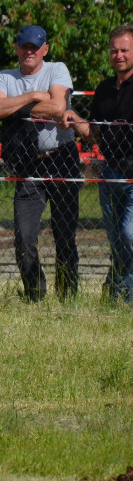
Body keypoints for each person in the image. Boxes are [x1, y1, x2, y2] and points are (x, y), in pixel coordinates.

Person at [0, 25, 80, 301]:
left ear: (45, 49)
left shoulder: (57, 69)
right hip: (27, 164)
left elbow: (57, 108)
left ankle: (68, 296)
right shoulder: (5, 76)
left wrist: (14, 109)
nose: (29, 51)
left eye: (35, 47)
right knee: (24, 238)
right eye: (24, 46)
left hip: (61, 158)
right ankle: (34, 295)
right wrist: (34, 96)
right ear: (17, 48)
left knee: (64, 233)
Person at [62, 25, 133, 302]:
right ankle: (113, 294)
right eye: (114, 50)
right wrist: (73, 119)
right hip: (110, 172)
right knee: (117, 243)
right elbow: (95, 134)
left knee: (129, 237)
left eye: (125, 50)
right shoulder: (103, 89)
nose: (119, 55)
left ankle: (124, 297)